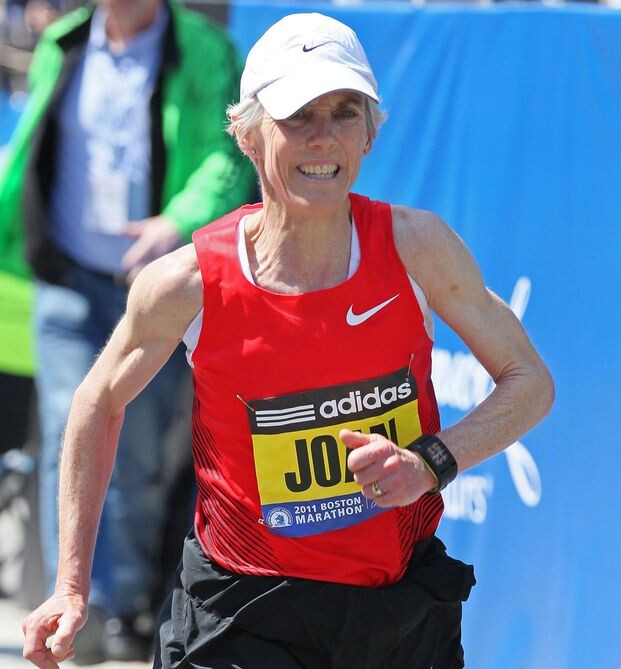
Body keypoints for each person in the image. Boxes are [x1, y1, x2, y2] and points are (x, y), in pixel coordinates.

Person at [22, 12, 554, 669]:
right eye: (297, 115)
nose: (322, 137)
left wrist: (430, 463)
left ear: (369, 134)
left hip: (396, 611)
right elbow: (97, 401)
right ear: (248, 134)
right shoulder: (189, 282)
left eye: (344, 112)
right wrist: (71, 586)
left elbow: (530, 381)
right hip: (242, 614)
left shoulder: (417, 247)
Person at [1, 0, 256, 661]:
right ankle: (75, 605)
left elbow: (227, 158)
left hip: (155, 292)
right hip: (67, 283)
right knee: (70, 428)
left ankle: (126, 603)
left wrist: (177, 223)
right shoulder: (63, 41)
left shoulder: (205, 51)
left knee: (136, 454)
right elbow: (31, 146)